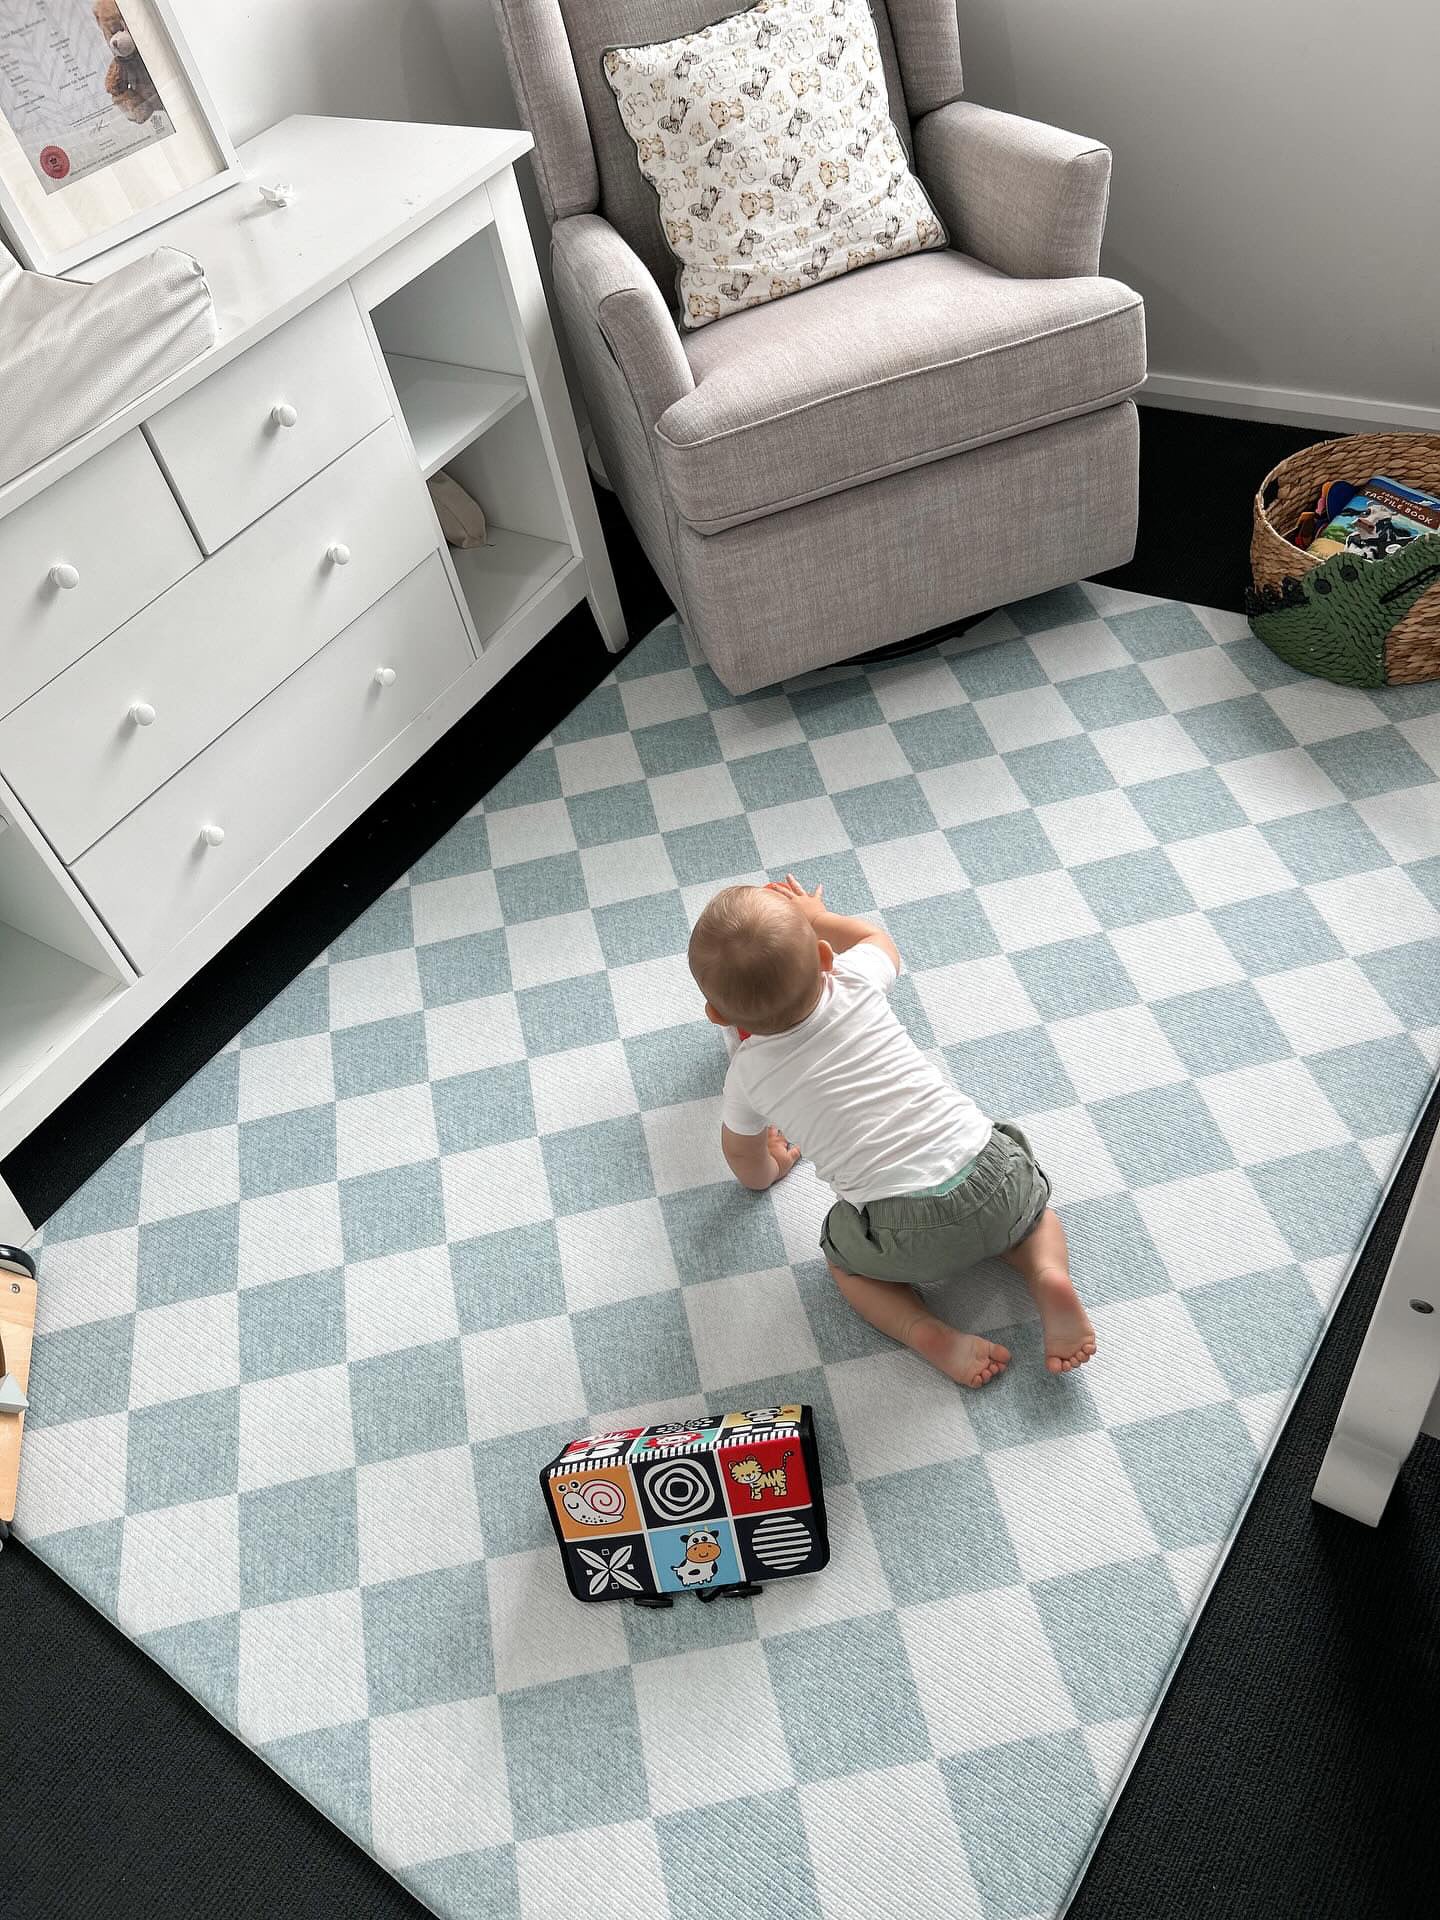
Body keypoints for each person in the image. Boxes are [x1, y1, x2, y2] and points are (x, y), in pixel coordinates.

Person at [687, 876, 1096, 1388]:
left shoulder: (746, 1074)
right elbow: (880, 942)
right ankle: (1046, 1273)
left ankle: (924, 1330)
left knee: (846, 1265)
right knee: (1032, 1217)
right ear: (823, 957)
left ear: (718, 1016)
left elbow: (744, 1159)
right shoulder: (855, 980)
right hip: (991, 1172)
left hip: (904, 1230)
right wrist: (818, 916)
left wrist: (772, 1167)